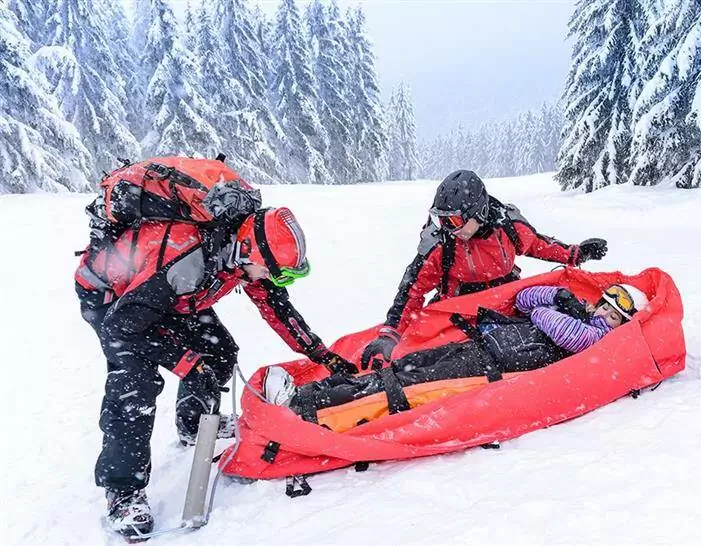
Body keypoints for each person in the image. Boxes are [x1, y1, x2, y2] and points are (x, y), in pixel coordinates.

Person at [75, 206, 350, 539]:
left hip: (165, 294)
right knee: (136, 385)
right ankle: (122, 492)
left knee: (218, 353)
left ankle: (194, 425)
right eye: (274, 272)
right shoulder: (190, 258)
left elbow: (278, 309)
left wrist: (321, 355)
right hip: (115, 299)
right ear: (249, 251)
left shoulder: (242, 254)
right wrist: (187, 362)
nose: (272, 280)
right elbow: (122, 328)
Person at [265, 284, 649, 422]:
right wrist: (554, 294)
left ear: (622, 324)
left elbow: (556, 328)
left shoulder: (597, 340)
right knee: (400, 368)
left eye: (614, 315)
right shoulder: (578, 312)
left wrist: (548, 307)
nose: (603, 314)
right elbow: (524, 298)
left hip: (490, 368)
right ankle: (318, 393)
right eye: (604, 305)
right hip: (482, 347)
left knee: (402, 388)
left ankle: (303, 406)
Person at [361, 170, 609, 370]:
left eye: (455, 221)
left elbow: (538, 244)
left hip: (506, 306)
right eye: (441, 219)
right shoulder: (442, 243)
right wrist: (390, 334)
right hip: (459, 313)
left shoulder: (507, 226)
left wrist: (577, 254)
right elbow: (411, 290)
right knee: (438, 362)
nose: (448, 227)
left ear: (477, 212)